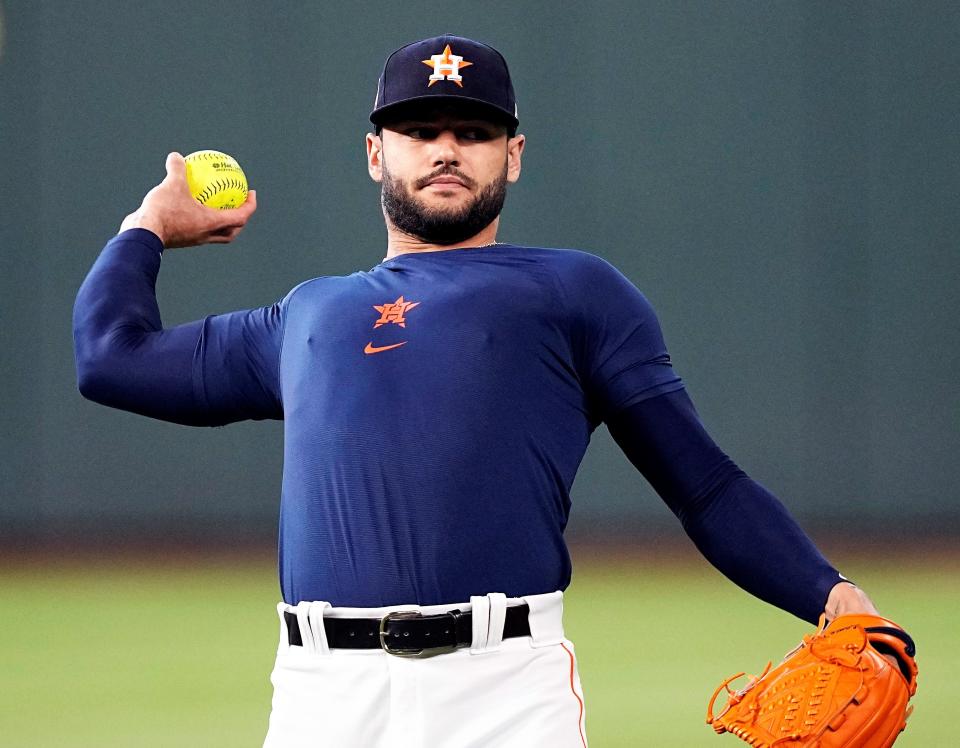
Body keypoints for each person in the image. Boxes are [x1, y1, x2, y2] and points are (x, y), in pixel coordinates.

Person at [74, 34, 887, 747]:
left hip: (505, 692)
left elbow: (706, 485)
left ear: (515, 154)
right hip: (323, 697)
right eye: (420, 130)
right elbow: (110, 359)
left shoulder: (575, 292)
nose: (446, 149)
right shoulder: (307, 314)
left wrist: (833, 595)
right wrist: (146, 228)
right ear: (375, 154)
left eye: (475, 132)